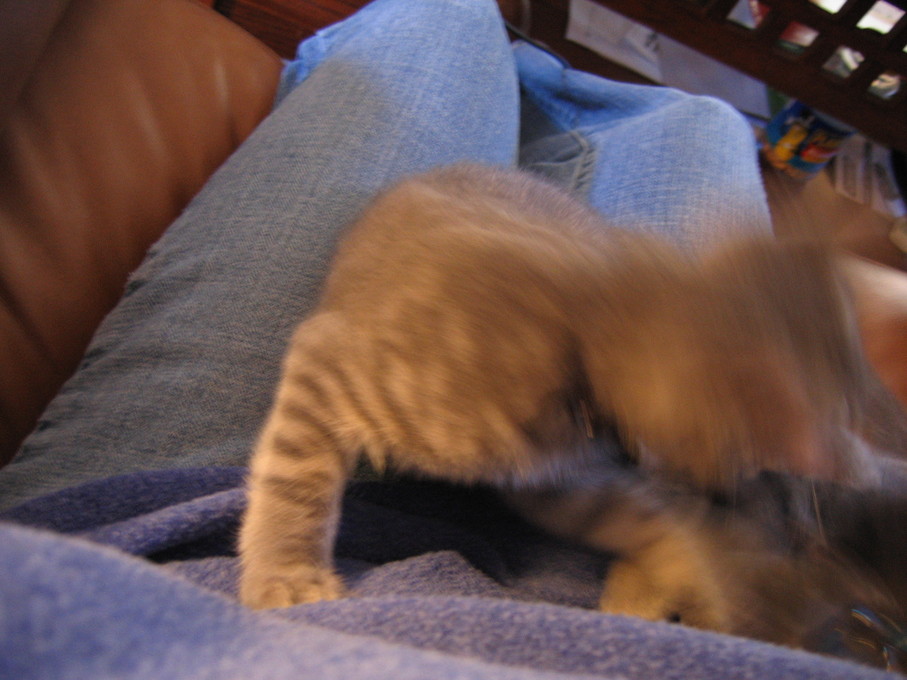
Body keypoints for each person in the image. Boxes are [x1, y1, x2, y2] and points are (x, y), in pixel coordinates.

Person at [5, 4, 853, 680]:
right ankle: (528, 74)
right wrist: (288, 543)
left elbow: (574, 473)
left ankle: (525, 72)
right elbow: (324, 367)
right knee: (700, 119)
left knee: (468, 23)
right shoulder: (500, 381)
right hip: (506, 326)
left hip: (187, 554)